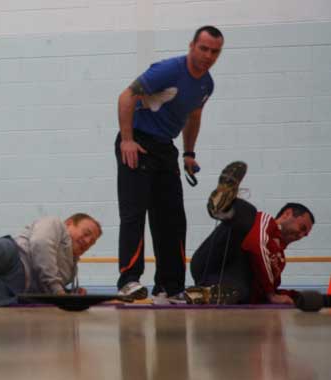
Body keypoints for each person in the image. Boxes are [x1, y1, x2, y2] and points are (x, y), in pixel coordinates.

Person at [115, 25, 224, 301]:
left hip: (165, 148)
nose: (208, 55)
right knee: (134, 213)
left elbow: (194, 116)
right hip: (137, 142)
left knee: (173, 219)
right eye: (204, 48)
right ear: (191, 46)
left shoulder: (206, 84)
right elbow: (126, 96)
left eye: (215, 51)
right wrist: (127, 139)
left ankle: (170, 286)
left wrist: (189, 153)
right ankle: (129, 281)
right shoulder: (168, 70)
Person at [189, 161, 315, 305]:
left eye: (305, 235)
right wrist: (271, 294)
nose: (301, 236)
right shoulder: (266, 222)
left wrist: (299, 297)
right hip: (210, 261)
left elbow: (266, 289)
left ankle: (204, 294)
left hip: (223, 279)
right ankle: (223, 207)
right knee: (249, 215)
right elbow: (255, 244)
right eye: (302, 228)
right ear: (287, 214)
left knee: (243, 289)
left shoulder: (279, 261)